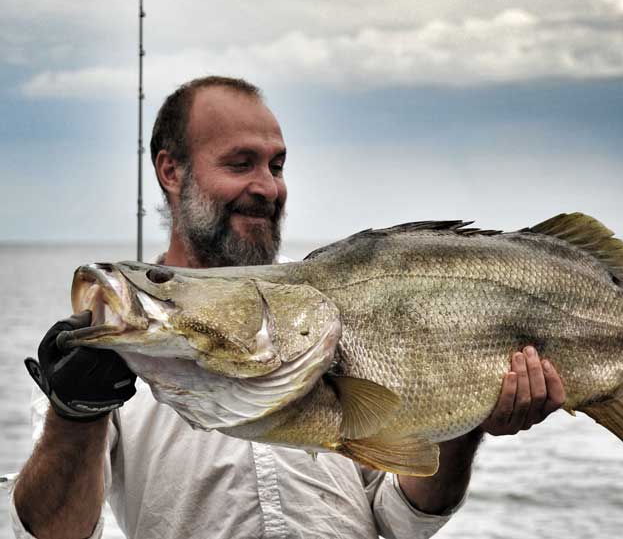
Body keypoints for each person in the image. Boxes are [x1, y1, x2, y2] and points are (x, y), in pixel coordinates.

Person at [11, 76, 565, 539]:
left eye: (276, 166)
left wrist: (463, 422)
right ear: (171, 172)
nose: (267, 187)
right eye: (241, 163)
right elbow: (52, 533)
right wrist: (75, 412)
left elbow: (398, 521)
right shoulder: (110, 351)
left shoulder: (326, 321)